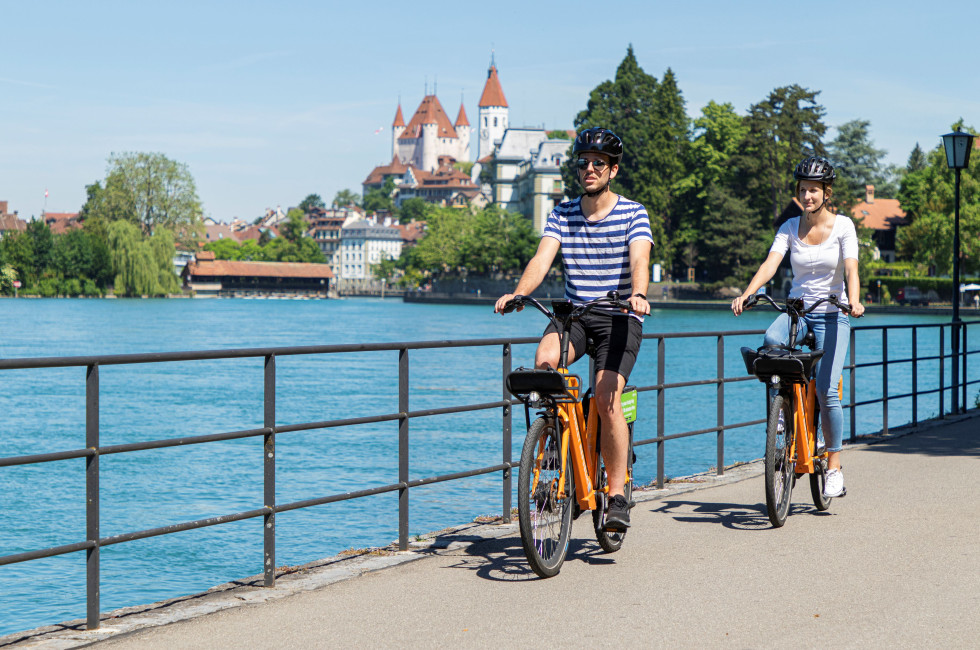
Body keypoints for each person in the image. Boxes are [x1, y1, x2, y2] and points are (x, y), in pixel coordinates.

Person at [494, 127, 653, 530]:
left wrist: (638, 293)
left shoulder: (633, 212)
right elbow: (541, 258)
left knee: (606, 396)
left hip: (620, 317)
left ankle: (615, 495)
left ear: (613, 170)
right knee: (544, 361)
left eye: (598, 163)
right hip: (575, 316)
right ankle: (558, 440)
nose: (589, 169)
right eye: (582, 162)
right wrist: (518, 293)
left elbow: (640, 260)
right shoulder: (562, 213)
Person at [731, 156, 865, 498]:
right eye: (803, 190)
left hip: (834, 313)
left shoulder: (844, 226)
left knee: (826, 390)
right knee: (770, 339)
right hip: (799, 312)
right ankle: (783, 410)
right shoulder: (790, 228)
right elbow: (770, 264)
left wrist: (854, 299)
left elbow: (851, 269)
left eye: (814, 190)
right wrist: (748, 293)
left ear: (826, 193)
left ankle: (833, 464)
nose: (808, 196)